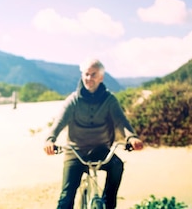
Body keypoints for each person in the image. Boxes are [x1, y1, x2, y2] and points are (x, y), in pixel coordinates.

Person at [43, 58, 144, 209]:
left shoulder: (109, 100)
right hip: (75, 151)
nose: (89, 78)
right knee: (66, 197)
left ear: (101, 78)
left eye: (93, 75)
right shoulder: (73, 100)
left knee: (117, 166)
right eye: (86, 74)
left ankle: (108, 204)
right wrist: (50, 140)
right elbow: (59, 122)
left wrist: (132, 137)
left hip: (100, 150)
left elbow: (121, 122)